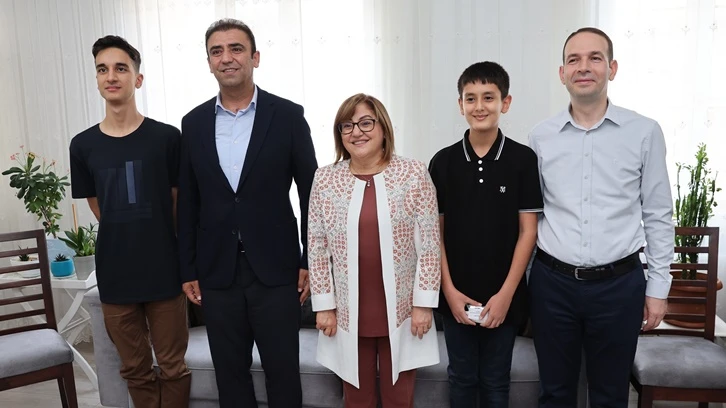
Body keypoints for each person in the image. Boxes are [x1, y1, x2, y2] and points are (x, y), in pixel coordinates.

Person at [528, 27, 674, 407]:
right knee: (554, 394)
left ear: (612, 68)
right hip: (552, 285)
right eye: (573, 59)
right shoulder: (540, 137)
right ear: (562, 73)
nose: (583, 67)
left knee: (610, 395)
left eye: (594, 58)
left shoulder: (644, 132)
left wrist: (658, 288)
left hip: (619, 287)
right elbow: (531, 216)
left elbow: (658, 214)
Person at [177, 18, 318, 407]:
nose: (227, 58)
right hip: (216, 272)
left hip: (277, 271)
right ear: (209, 62)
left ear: (255, 57)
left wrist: (310, 259)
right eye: (217, 51)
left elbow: (312, 194)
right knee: (230, 376)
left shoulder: (288, 116)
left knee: (282, 373)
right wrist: (188, 268)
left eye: (236, 49)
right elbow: (188, 202)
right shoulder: (193, 123)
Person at [69, 35, 191, 407]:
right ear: (96, 79)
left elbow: (177, 205)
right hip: (116, 275)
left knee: (173, 367)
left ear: (137, 79)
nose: (111, 76)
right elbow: (100, 209)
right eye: (102, 69)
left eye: (121, 68)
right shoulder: (83, 145)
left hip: (164, 271)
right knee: (135, 369)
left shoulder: (167, 138)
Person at [308, 93, 441, 407]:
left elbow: (430, 245)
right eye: (347, 125)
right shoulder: (325, 179)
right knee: (357, 399)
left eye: (366, 123)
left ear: (383, 128)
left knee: (399, 399)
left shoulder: (413, 174)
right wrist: (324, 306)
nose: (356, 132)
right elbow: (316, 247)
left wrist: (423, 304)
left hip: (403, 311)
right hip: (348, 312)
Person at [428, 61, 542, 407]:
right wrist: (449, 292)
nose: (479, 106)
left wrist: (506, 295)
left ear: (505, 103)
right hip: (456, 297)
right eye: (471, 98)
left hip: (505, 297)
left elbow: (528, 232)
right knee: (461, 379)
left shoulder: (523, 159)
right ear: (460, 105)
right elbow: (435, 236)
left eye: (488, 97)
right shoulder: (442, 162)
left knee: (495, 381)